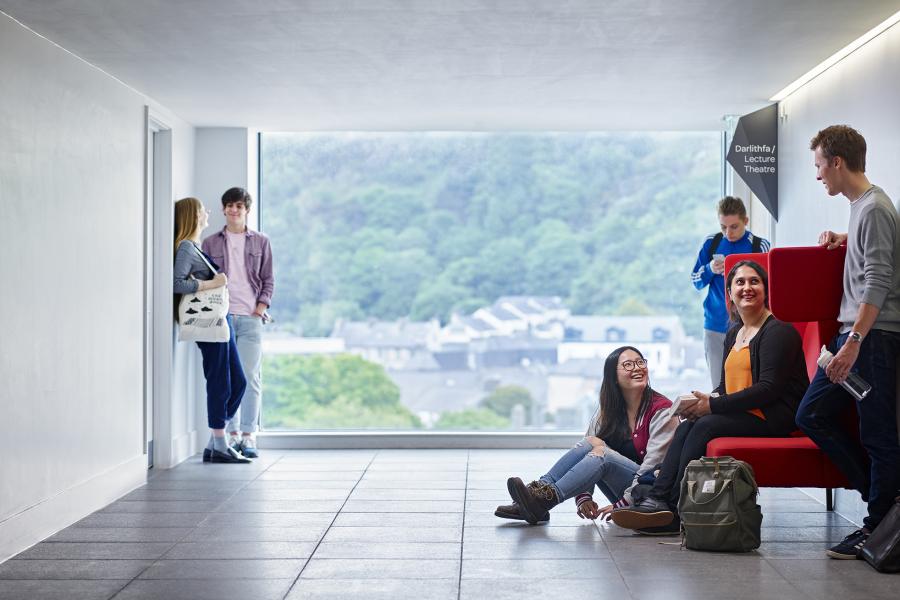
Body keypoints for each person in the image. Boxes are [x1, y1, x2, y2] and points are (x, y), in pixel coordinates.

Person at [613, 261, 808, 534]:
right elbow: (726, 386)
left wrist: (712, 406)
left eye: (755, 281)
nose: (747, 287)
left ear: (765, 289)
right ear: (729, 292)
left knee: (706, 424)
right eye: (739, 282)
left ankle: (671, 508)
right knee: (688, 425)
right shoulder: (734, 333)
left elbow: (768, 389)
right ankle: (659, 498)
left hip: (774, 417)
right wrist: (703, 401)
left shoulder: (778, 332)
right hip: (748, 412)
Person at [795, 125, 900, 560]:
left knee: (878, 435)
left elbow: (878, 280)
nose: (818, 175)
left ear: (837, 161)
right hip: (856, 337)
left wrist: (854, 342)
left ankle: (878, 526)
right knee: (812, 413)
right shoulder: (862, 208)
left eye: (819, 164)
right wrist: (843, 238)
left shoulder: (874, 207)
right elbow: (873, 258)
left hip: (870, 340)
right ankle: (885, 509)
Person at [500, 346, 678, 526]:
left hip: (652, 496)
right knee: (590, 443)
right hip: (629, 488)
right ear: (613, 377)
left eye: (640, 362)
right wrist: (584, 497)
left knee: (604, 455)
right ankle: (536, 497)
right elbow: (587, 452)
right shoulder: (610, 409)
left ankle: (541, 503)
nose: (638, 368)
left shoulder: (662, 410)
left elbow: (653, 465)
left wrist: (624, 504)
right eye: (628, 365)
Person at [174, 196, 250, 464]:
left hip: (221, 321)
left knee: (238, 381)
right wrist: (213, 283)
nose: (207, 212)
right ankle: (220, 442)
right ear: (193, 216)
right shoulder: (186, 247)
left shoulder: (194, 247)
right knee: (220, 381)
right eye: (202, 209)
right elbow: (177, 283)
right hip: (208, 325)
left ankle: (215, 442)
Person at [202, 187, 275, 459]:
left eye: (239, 206)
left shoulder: (261, 242)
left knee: (250, 378)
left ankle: (248, 435)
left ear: (247, 210)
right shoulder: (210, 243)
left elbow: (268, 278)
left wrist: (260, 308)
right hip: (223, 318)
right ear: (223, 209)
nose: (234, 210)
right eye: (229, 206)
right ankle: (230, 435)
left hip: (251, 318)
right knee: (227, 379)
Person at [692, 197, 770, 388]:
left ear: (746, 221)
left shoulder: (759, 246)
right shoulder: (711, 243)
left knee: (751, 384)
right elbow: (696, 281)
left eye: (734, 226)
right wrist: (710, 268)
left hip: (751, 325)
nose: (728, 233)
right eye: (723, 227)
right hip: (715, 325)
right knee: (718, 386)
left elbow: (770, 288)